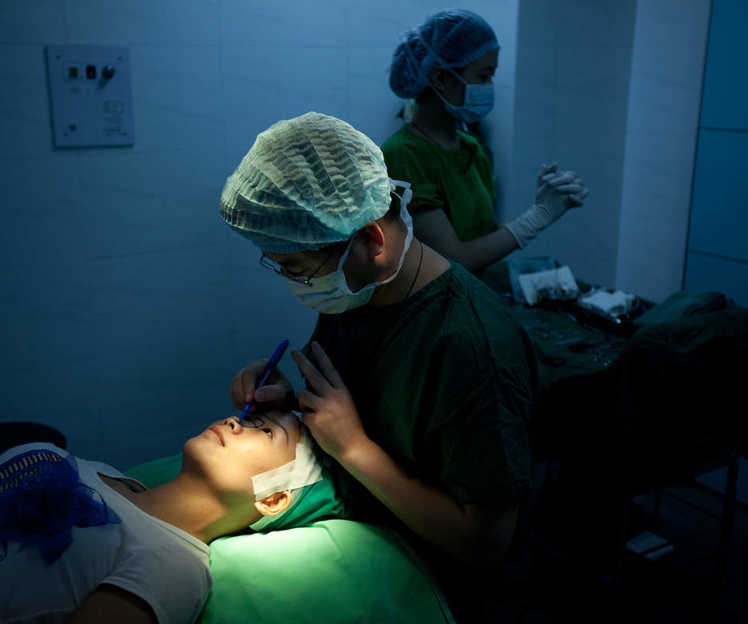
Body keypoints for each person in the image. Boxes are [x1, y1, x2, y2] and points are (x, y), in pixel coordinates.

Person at [221, 111, 539, 621]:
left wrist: (354, 448)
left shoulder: (472, 348)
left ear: (372, 240)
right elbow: (365, 402)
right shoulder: (358, 296)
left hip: (446, 587)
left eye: (298, 270)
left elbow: (484, 544)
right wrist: (295, 399)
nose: (294, 283)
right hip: (368, 525)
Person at [0, 411, 330, 624]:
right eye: (251, 417)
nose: (237, 422)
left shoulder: (174, 567)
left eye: (267, 432)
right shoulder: (101, 468)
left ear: (273, 500)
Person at [383, 9, 589, 275]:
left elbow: (484, 238)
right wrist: (539, 217)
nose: (490, 86)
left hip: (468, 298)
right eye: (483, 76)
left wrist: (542, 204)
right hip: (425, 310)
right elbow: (455, 261)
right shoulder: (402, 155)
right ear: (441, 79)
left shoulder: (471, 148)